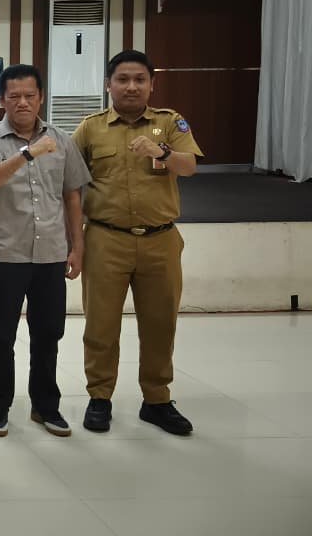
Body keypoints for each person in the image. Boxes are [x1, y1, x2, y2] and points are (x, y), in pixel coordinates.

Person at [72, 50, 203, 436]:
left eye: (139, 79)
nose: (131, 87)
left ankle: (157, 400)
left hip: (160, 241)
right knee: (100, 325)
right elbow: (70, 185)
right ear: (108, 85)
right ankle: (100, 398)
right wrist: (73, 241)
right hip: (105, 239)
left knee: (160, 324)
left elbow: (190, 166)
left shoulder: (170, 123)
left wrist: (161, 151)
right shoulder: (90, 128)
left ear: (151, 85)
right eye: (123, 79)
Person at [0, 64, 90, 438]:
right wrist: (27, 154)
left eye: (29, 95)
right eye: (14, 96)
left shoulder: (61, 139)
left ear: (40, 97)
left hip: (51, 251)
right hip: (5, 253)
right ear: (2, 99)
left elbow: (72, 195)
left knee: (48, 333)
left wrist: (77, 246)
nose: (22, 102)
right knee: (1, 335)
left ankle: (46, 406)